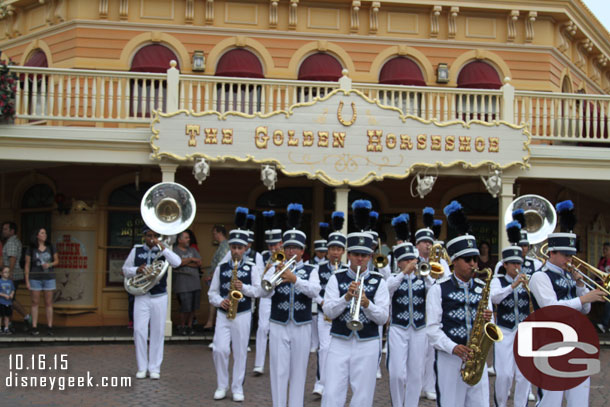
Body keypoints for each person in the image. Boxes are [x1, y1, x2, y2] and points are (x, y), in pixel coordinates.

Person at [529, 200, 605, 406]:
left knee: (579, 400)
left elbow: (586, 309)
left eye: (571, 255)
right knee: (550, 400)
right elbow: (551, 309)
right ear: (551, 252)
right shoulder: (539, 277)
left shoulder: (571, 275)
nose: (570, 260)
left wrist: (581, 285)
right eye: (565, 255)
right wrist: (582, 298)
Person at [321, 200, 389, 407]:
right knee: (332, 391)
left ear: (370, 256)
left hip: (367, 342)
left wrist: (366, 303)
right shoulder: (337, 278)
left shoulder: (379, 281)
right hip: (339, 340)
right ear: (348, 255)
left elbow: (383, 318)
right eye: (356, 255)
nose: (360, 259)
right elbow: (328, 311)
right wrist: (346, 298)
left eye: (364, 255)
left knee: (363, 394)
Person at [426, 200, 493, 407]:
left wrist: (489, 321)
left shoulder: (483, 286)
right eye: (467, 260)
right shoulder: (438, 288)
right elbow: (432, 330)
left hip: (476, 358)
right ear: (454, 261)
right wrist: (454, 347)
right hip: (450, 358)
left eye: (474, 259)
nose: (473, 264)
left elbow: (490, 327)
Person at [260, 203, 320, 407]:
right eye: (288, 247)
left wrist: (294, 279)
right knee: (278, 370)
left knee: (298, 370)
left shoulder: (312, 269)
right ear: (283, 249)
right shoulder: (275, 266)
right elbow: (264, 292)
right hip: (278, 323)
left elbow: (314, 291)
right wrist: (272, 273)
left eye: (296, 248)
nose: (292, 251)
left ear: (303, 251)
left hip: (302, 325)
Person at [208, 209, 261, 402]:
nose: (236, 251)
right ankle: (222, 385)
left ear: (245, 248)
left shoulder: (252, 267)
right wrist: (218, 301)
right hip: (224, 313)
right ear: (230, 248)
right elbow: (211, 292)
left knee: (239, 351)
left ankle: (237, 387)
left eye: (240, 247)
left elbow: (258, 291)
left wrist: (243, 288)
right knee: (220, 349)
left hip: (243, 313)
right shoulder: (222, 268)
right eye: (234, 247)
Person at [122, 226, 181, 380]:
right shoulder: (136, 250)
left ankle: (154, 368)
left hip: (159, 296)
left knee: (157, 332)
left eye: (155, 236)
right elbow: (125, 269)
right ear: (144, 237)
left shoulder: (164, 250)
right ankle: (142, 367)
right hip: (142, 295)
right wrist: (137, 270)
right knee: (139, 331)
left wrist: (164, 248)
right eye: (149, 236)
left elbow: (177, 263)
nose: (152, 239)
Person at [386, 236, 431, 407]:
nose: (411, 262)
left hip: (419, 328)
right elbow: (387, 289)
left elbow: (434, 291)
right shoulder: (393, 278)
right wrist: (404, 273)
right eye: (406, 260)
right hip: (398, 328)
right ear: (399, 263)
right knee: (396, 373)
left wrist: (424, 274)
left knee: (416, 372)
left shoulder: (423, 279)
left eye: (413, 259)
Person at [490, 227, 532, 407]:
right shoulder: (497, 280)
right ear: (505, 264)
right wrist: (513, 286)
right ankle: (501, 403)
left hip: (524, 329)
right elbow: (494, 297)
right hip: (504, 330)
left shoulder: (528, 279)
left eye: (519, 262)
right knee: (504, 373)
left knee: (524, 374)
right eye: (513, 263)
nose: (517, 266)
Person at [416, 207, 449, 401]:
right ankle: (416, 385)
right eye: (424, 242)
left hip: (435, 312)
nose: (427, 246)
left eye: (430, 242)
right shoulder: (410, 260)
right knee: (416, 353)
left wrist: (430, 277)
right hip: (416, 311)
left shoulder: (441, 262)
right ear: (417, 244)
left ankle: (429, 386)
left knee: (431, 353)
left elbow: (445, 282)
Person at [312, 211, 346, 397]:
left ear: (342, 251)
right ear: (328, 250)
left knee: (339, 350)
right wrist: (323, 302)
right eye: (332, 249)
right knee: (324, 348)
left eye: (338, 249)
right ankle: (320, 383)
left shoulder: (348, 270)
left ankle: (337, 383)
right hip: (324, 315)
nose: (335, 252)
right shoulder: (318, 268)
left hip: (341, 315)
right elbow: (315, 290)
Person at [253, 210, 283, 376]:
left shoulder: (286, 255)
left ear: (281, 242)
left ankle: (277, 365)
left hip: (281, 295)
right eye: (270, 245)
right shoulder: (262, 256)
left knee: (278, 331)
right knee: (263, 327)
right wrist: (266, 269)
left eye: (275, 244)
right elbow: (258, 277)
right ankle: (259, 364)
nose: (273, 248)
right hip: (266, 296)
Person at [24, 227, 59, 336]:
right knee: (35, 302)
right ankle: (34, 326)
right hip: (35, 277)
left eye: (45, 233)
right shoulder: (31, 248)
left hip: (49, 277)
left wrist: (49, 264)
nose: (45, 235)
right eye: (42, 233)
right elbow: (27, 265)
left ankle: (50, 326)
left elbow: (57, 261)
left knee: (48, 302)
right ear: (37, 235)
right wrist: (27, 280)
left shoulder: (51, 246)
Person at [1, 222, 31, 328]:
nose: (3, 231)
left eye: (5, 229)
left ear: (12, 231)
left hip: (12, 275)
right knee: (8, 299)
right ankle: (8, 322)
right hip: (12, 274)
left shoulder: (12, 242)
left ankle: (26, 316)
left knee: (9, 299)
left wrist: (9, 274)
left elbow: (12, 258)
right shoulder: (11, 241)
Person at [173, 231, 202, 336]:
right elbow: (177, 263)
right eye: (186, 238)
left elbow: (199, 263)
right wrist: (190, 259)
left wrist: (185, 263)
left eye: (189, 238)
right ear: (179, 240)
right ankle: (183, 326)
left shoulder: (193, 250)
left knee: (193, 307)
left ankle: (190, 326)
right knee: (185, 307)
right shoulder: (175, 251)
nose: (188, 239)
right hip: (182, 284)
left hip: (195, 282)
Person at [204, 224, 228, 331]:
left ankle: (211, 322)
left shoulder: (224, 246)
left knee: (216, 298)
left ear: (219, 233)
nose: (214, 236)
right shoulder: (221, 245)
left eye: (214, 233)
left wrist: (212, 276)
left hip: (220, 277)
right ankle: (211, 321)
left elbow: (221, 264)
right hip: (215, 275)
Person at [597, 242, 610, 333]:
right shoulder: (602, 260)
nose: (604, 251)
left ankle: (605, 324)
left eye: (606, 249)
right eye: (603, 249)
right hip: (602, 287)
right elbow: (597, 275)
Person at [0, 266, 15, 334]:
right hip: (1, 301)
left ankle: (6, 328)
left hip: (8, 302)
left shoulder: (10, 282)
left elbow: (12, 289)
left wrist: (11, 294)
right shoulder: (0, 281)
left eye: (8, 272)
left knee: (7, 315)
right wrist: (4, 295)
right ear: (1, 273)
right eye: (5, 272)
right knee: (0, 315)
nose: (7, 274)